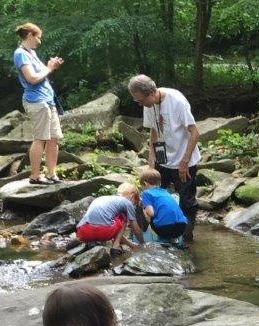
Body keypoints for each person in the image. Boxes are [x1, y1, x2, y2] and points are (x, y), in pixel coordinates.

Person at [127, 74, 200, 242]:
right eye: (135, 100)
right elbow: (153, 131)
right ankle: (146, 234)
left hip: (184, 159)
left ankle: (186, 236)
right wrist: (151, 161)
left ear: (152, 92)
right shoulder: (148, 104)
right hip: (163, 158)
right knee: (151, 194)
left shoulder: (177, 101)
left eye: (140, 100)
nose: (139, 104)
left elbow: (194, 132)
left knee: (187, 201)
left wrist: (184, 162)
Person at [13, 22, 64, 185]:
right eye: (38, 37)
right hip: (36, 101)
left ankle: (51, 174)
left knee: (53, 138)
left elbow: (43, 72)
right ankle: (35, 176)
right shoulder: (20, 53)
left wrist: (51, 66)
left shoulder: (32, 53)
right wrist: (49, 68)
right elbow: (32, 78)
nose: (39, 41)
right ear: (30, 36)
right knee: (40, 138)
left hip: (48, 100)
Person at [75, 183, 145, 257]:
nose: (134, 204)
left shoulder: (103, 198)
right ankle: (115, 247)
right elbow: (136, 229)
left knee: (106, 219)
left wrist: (130, 244)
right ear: (132, 195)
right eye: (135, 201)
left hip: (83, 231)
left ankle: (78, 241)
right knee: (124, 216)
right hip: (104, 232)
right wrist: (142, 243)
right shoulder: (127, 202)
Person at [139, 168, 188, 242]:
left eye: (142, 186)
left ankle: (162, 240)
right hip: (182, 227)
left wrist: (142, 208)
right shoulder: (165, 192)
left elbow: (151, 213)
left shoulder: (146, 193)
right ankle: (174, 239)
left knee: (146, 210)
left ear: (145, 183)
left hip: (164, 229)